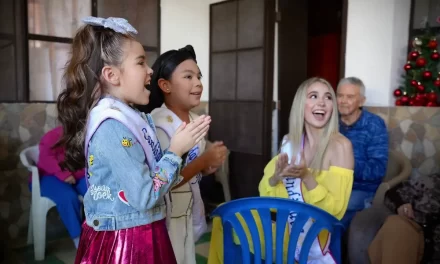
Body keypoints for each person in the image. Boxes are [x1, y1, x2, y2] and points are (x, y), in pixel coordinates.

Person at [55, 16, 211, 263]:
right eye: (141, 62)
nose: (150, 70)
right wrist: (175, 152)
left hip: (142, 231)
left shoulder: (131, 118)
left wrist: (182, 155)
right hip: (127, 243)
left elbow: (154, 179)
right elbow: (145, 196)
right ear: (112, 75)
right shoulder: (113, 127)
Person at [208, 77, 354, 263]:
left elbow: (335, 212)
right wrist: (276, 177)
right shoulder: (290, 142)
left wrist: (307, 178)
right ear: (301, 104)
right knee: (226, 216)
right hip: (286, 231)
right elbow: (266, 193)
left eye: (328, 97)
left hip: (314, 240)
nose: (321, 103)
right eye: (313, 96)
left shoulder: (341, 146)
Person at [140, 45, 228, 264]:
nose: (198, 83)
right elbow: (163, 181)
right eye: (188, 76)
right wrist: (203, 162)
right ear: (165, 85)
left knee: (186, 254)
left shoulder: (195, 119)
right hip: (166, 215)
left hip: (187, 208)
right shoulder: (159, 123)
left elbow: (193, 166)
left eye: (199, 76)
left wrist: (208, 166)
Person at [348, 172, 440, 264]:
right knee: (397, 226)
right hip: (413, 233)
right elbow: (393, 193)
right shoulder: (432, 182)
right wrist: (401, 205)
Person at [336, 77, 388, 227]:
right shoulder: (331, 123)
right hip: (332, 185)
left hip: (361, 189)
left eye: (350, 97)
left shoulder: (374, 125)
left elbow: (378, 169)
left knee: (331, 213)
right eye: (340, 95)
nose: (343, 101)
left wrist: (348, 165)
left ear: (362, 101)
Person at [32, 126, 87, 248]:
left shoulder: (88, 133)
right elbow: (45, 160)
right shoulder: (52, 136)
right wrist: (64, 174)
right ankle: (78, 239)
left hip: (78, 174)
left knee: (96, 192)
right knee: (67, 197)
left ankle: (102, 232)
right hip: (48, 176)